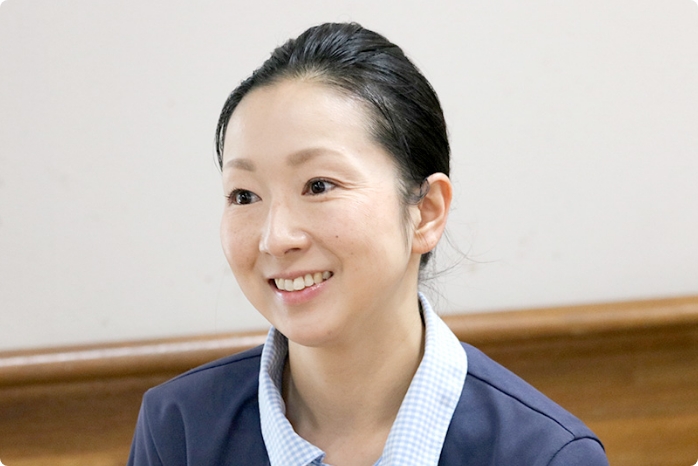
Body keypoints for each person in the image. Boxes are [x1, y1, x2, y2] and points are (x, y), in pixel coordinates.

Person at [128, 22, 609, 466]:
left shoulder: (544, 455)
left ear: (426, 211)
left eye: (318, 185)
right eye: (244, 195)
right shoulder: (178, 429)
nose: (276, 238)